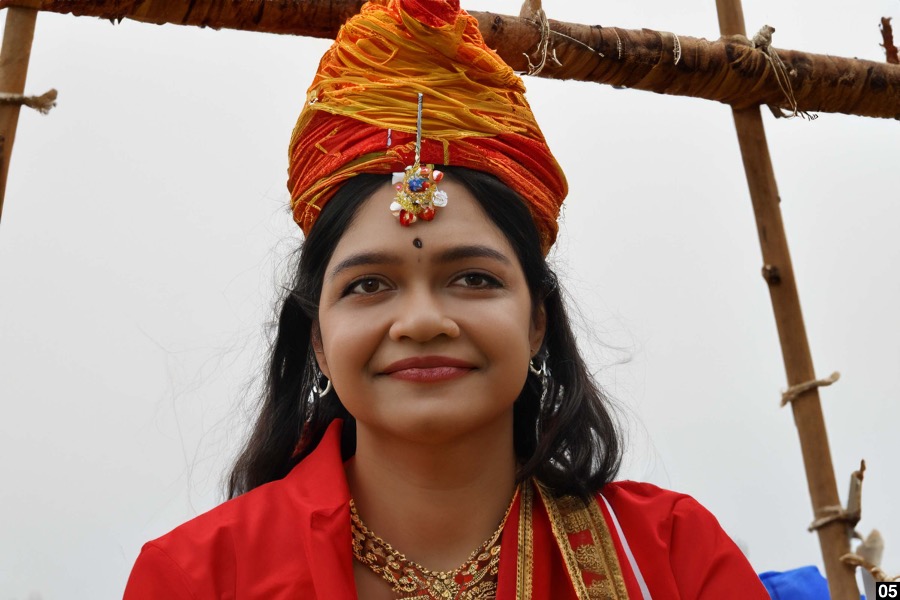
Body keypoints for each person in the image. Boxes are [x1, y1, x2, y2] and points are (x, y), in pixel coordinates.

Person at [124, 0, 770, 597]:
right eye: (368, 285)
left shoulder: (670, 557)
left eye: (473, 279)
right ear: (318, 340)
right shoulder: (199, 575)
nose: (424, 321)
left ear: (538, 321)